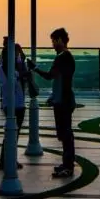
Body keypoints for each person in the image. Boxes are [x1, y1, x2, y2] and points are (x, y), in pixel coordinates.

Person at [30, 28, 76, 179]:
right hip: (63, 99)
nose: (53, 44)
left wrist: (35, 68)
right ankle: (66, 164)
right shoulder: (67, 57)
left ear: (61, 40)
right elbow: (59, 80)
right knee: (65, 134)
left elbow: (51, 76)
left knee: (66, 134)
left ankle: (68, 167)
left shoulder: (62, 57)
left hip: (63, 101)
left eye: (54, 41)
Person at [0, 51, 26, 172]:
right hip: (14, 105)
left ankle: (8, 160)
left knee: (12, 135)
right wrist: (21, 69)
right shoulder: (7, 70)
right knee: (12, 135)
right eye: (17, 55)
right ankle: (7, 161)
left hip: (15, 103)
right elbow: (14, 83)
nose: (18, 58)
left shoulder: (6, 68)